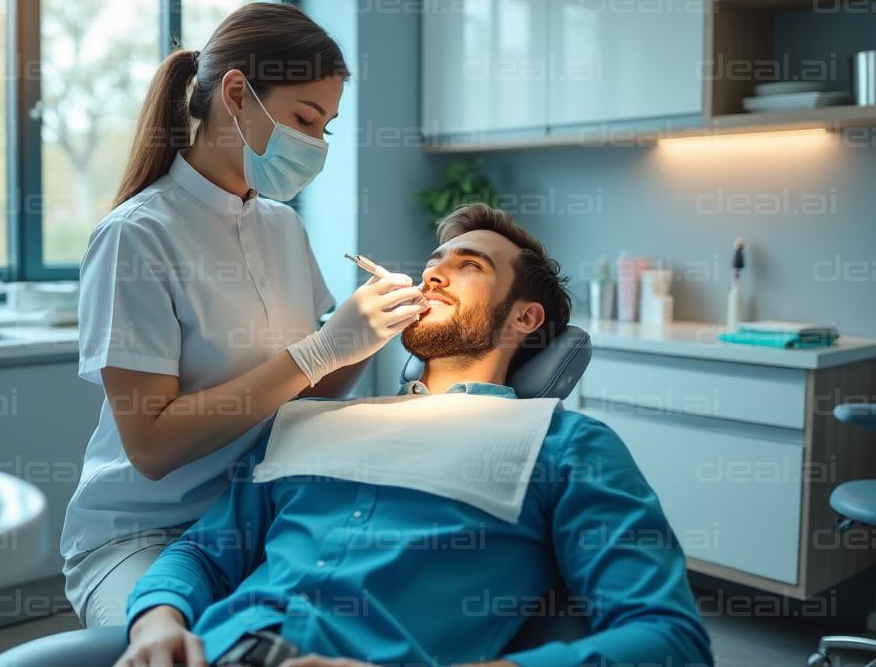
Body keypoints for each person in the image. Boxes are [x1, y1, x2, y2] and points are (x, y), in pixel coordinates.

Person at [116, 203, 714, 667]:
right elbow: (201, 554)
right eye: (435, 261)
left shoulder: (562, 445)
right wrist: (158, 622)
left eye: (469, 266)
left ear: (525, 318)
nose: (434, 273)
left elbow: (669, 640)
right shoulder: (310, 419)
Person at [62, 3, 429, 627]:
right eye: (304, 119)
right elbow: (151, 445)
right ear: (236, 94)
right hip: (146, 533)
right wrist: (317, 349)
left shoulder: (283, 227)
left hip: (263, 510)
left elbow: (304, 395)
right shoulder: (136, 236)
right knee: (187, 644)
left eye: (326, 129)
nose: (315, 145)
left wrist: (364, 338)